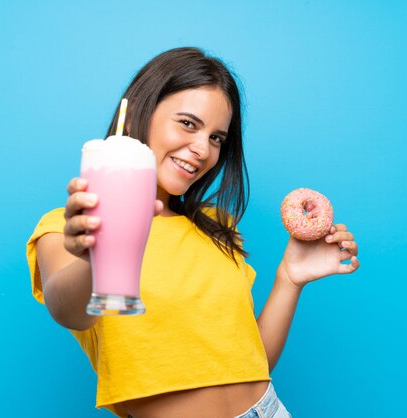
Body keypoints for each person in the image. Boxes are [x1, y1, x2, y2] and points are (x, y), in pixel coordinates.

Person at [26, 47, 360, 418]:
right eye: (188, 123)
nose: (203, 149)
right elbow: (68, 310)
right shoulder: (64, 227)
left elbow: (251, 363)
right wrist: (94, 252)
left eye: (217, 138)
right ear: (139, 111)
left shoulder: (217, 227)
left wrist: (290, 278)